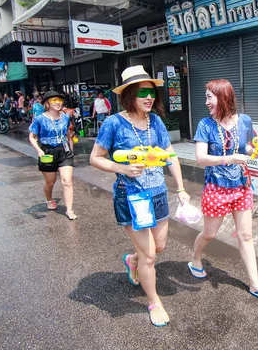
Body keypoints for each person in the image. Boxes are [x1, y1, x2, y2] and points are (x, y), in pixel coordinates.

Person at [90, 65, 190, 327]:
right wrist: (122, 168)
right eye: (142, 93)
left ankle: (131, 259)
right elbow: (95, 158)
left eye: (152, 93)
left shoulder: (155, 121)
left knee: (158, 248)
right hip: (132, 197)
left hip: (158, 193)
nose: (149, 97)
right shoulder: (113, 123)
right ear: (128, 95)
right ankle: (154, 301)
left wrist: (180, 189)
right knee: (149, 256)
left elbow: (170, 155)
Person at [190, 79, 258, 303]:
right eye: (206, 96)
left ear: (223, 96)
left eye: (210, 96)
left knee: (246, 236)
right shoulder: (205, 125)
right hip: (216, 188)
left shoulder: (244, 120)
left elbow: (245, 146)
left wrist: (256, 149)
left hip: (241, 187)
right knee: (210, 234)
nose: (206, 101)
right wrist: (228, 159)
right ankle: (195, 258)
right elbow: (201, 158)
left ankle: (255, 284)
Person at [28, 91, 78, 220]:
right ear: (47, 103)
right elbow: (32, 137)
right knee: (50, 182)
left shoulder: (66, 117)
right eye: (54, 100)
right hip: (47, 152)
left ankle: (69, 210)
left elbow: (68, 133)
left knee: (67, 181)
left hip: (64, 151)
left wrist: (70, 149)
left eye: (59, 100)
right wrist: (39, 150)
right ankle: (49, 200)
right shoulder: (40, 119)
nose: (58, 102)